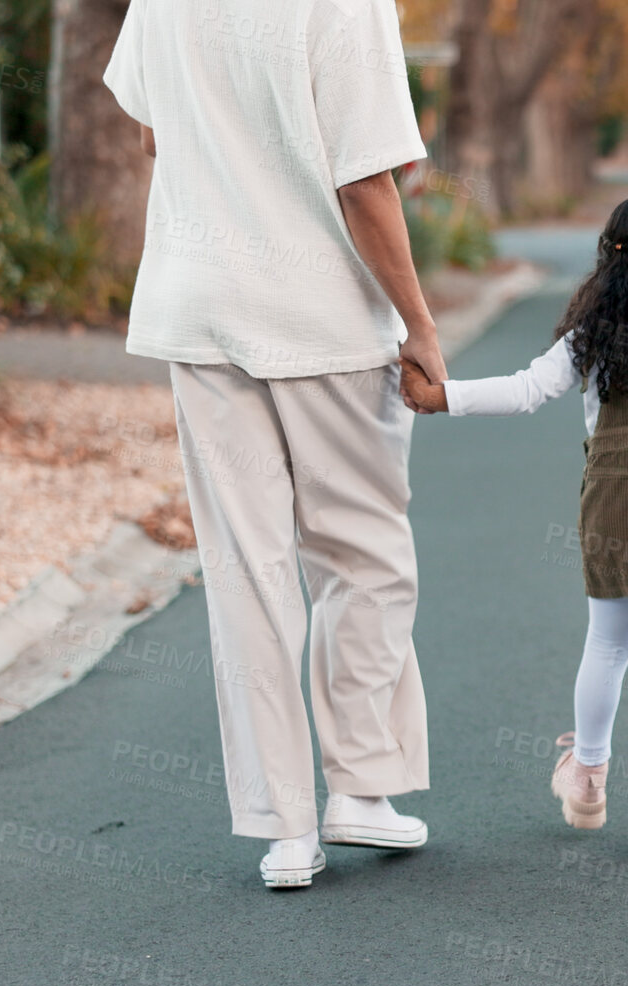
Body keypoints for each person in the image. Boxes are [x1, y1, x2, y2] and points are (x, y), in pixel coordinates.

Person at [104, 0, 450, 888]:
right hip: (322, 316)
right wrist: (418, 322)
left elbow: (151, 135)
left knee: (245, 573)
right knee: (363, 554)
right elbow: (365, 179)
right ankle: (363, 788)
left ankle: (284, 828)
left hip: (200, 305)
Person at [402, 197, 628, 863]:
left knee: (606, 647)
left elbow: (528, 389)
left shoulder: (594, 329)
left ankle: (586, 778)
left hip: (610, 491)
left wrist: (445, 397)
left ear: (608, 257)